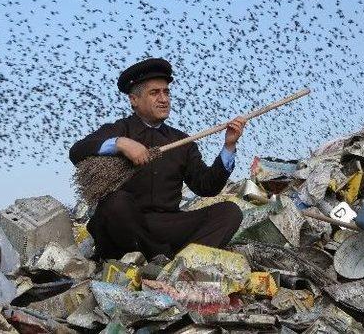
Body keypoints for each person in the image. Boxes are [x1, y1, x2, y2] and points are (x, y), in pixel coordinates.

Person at [69, 57, 247, 260]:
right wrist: (120, 143)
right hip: (125, 228)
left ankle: (182, 264)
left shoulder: (181, 141)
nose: (164, 99)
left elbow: (207, 187)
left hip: (166, 225)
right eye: (154, 93)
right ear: (134, 100)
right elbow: (77, 152)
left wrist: (229, 145)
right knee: (115, 203)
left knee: (229, 212)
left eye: (166, 92)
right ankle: (159, 258)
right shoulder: (119, 129)